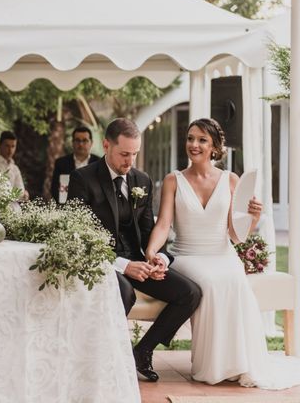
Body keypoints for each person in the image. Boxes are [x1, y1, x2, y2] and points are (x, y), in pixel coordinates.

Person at [145, 117, 300, 389]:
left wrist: (252, 217)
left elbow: (237, 236)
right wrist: (152, 251)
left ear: (214, 147)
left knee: (234, 280)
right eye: (191, 138)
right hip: (188, 254)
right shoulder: (173, 180)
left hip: (222, 253)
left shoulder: (231, 180)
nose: (194, 144)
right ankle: (210, 366)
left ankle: (238, 364)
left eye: (202, 140)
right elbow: (163, 224)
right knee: (212, 283)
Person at [67, 118, 202, 382]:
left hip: (138, 261)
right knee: (124, 292)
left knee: (190, 293)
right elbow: (79, 236)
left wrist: (158, 257)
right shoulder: (82, 179)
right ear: (107, 145)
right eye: (124, 154)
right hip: (102, 261)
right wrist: (122, 265)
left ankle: (142, 351)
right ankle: (104, 359)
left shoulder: (142, 180)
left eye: (135, 154)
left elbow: (149, 228)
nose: (130, 161)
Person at [50, 126, 100, 203]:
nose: (81, 144)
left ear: (91, 143)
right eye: (77, 140)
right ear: (72, 142)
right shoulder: (61, 163)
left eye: (85, 140)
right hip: (67, 208)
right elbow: (54, 189)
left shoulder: (99, 163)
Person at [0, 130, 29, 200]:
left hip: (15, 207)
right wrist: (19, 195)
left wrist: (22, 195)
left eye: (13, 146)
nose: (10, 150)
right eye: (7, 146)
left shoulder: (15, 168)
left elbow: (21, 193)